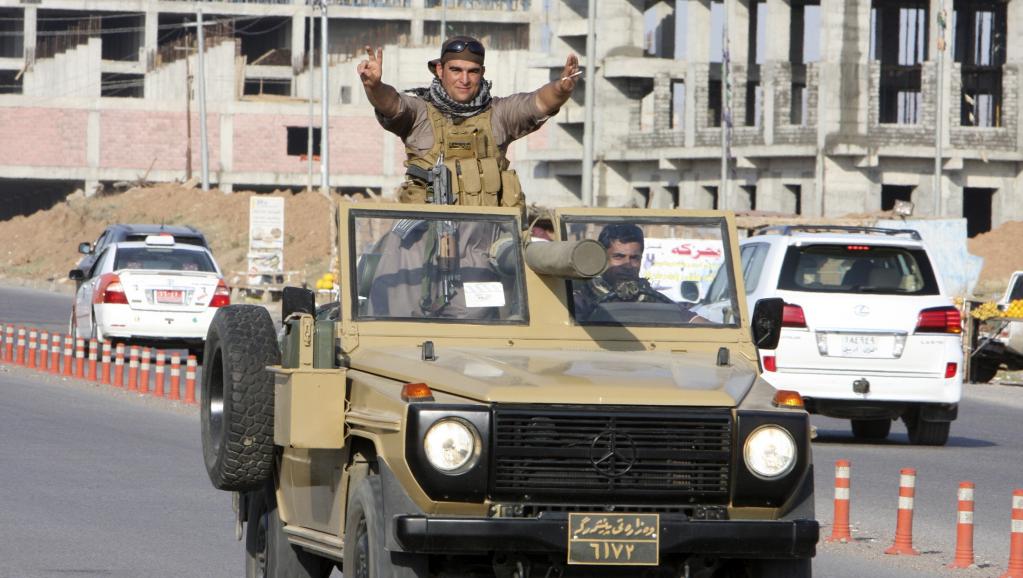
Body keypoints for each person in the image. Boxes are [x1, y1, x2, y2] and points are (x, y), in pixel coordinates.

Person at [358, 36, 580, 207]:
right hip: (426, 240)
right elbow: (391, 105)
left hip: (486, 243)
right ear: (440, 70)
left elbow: (539, 103)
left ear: (482, 73)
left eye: (472, 72)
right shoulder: (419, 114)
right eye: (456, 70)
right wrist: (375, 87)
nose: (464, 80)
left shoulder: (499, 114)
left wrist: (561, 88)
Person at [573, 224, 704, 323]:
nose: (628, 265)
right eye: (619, 257)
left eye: (634, 258)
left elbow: (693, 321)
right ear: (602, 258)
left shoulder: (651, 298)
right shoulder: (583, 298)